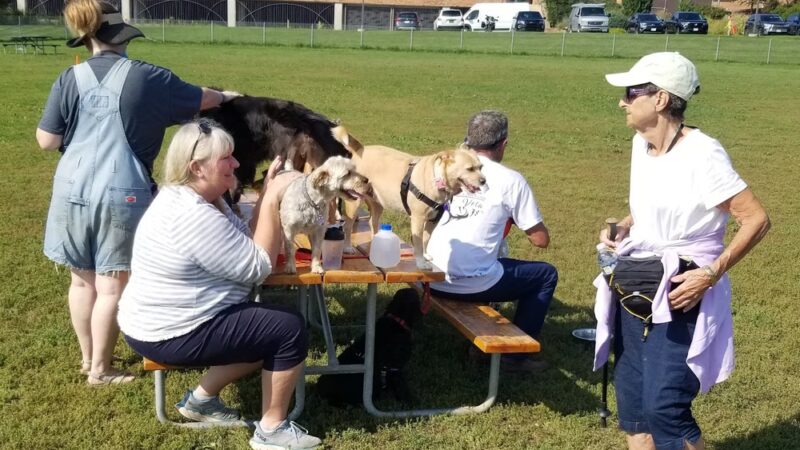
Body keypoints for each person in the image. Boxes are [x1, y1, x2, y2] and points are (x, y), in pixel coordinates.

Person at [35, 0, 238, 385]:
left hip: (69, 190)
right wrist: (225, 95)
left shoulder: (68, 77)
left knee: (81, 281)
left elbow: (47, 140)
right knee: (113, 284)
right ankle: (101, 369)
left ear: (87, 38)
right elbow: (202, 99)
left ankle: (86, 358)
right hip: (122, 191)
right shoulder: (149, 78)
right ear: (122, 36)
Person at [594, 52, 770, 450]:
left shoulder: (703, 152)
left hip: (681, 288)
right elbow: (652, 203)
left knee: (665, 407)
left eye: (630, 92)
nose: (622, 101)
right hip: (635, 283)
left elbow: (756, 219)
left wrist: (710, 273)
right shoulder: (642, 145)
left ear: (660, 100)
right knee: (635, 406)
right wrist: (625, 225)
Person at [118, 120, 321, 450]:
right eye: (227, 158)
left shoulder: (201, 197)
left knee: (261, 327)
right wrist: (270, 199)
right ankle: (271, 431)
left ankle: (200, 401)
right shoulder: (192, 215)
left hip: (159, 321)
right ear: (197, 167)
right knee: (287, 328)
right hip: (169, 332)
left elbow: (244, 236)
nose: (237, 163)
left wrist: (265, 198)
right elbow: (259, 267)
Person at [425, 110, 558, 373]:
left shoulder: (448, 168)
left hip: (429, 278)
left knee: (495, 260)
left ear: (468, 140)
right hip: (467, 283)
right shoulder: (511, 180)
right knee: (545, 275)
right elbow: (540, 240)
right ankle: (514, 358)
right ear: (503, 143)